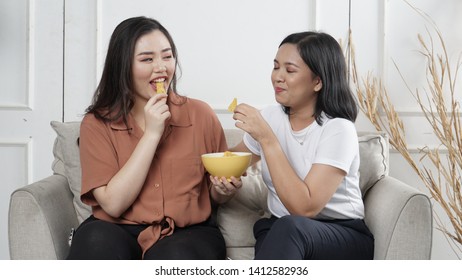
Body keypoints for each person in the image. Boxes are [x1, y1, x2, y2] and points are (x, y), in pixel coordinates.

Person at [66, 16, 242, 260]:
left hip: (187, 232)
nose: (161, 67)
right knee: (95, 242)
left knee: (175, 257)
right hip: (115, 228)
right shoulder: (96, 124)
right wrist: (151, 134)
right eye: (147, 59)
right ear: (122, 66)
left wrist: (223, 191)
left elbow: (212, 195)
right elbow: (113, 205)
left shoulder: (200, 115)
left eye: (167, 56)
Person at [212, 31, 374, 259]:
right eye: (276, 67)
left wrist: (268, 139)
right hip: (281, 230)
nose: (278, 77)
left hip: (340, 233)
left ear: (317, 81)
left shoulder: (338, 130)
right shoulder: (270, 117)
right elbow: (224, 169)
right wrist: (221, 188)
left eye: (289, 70)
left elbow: (305, 208)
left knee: (289, 228)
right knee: (277, 229)